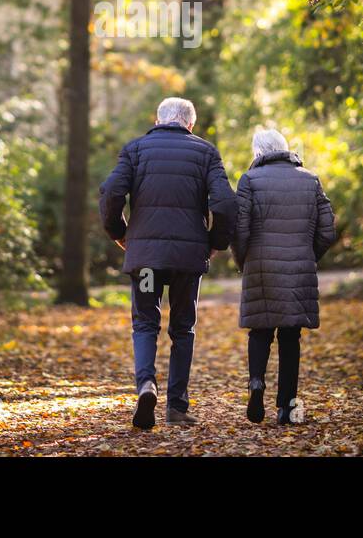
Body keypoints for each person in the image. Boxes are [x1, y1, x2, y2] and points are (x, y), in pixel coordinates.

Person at [99, 97, 236, 430]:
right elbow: (225, 202)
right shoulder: (205, 152)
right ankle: (176, 407)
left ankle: (146, 385)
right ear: (189, 124)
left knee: (146, 322)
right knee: (182, 328)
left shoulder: (135, 150)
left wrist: (121, 234)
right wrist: (215, 243)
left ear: (158, 120)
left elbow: (111, 192)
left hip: (146, 261)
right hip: (187, 262)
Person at [233, 127, 336, 425]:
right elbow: (328, 230)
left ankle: (256, 383)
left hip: (260, 266)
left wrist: (244, 260)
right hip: (299, 267)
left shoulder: (249, 180)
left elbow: (240, 229)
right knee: (291, 337)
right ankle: (287, 408)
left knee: (260, 330)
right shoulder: (310, 179)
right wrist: (307, 254)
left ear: (258, 153)